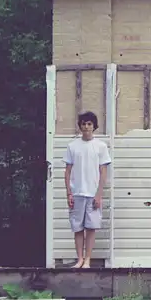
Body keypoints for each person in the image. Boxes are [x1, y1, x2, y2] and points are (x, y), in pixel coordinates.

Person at [63, 111, 111, 269]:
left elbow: (103, 172)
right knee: (77, 228)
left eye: (89, 124)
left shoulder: (101, 146)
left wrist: (99, 195)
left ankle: (88, 260)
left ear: (94, 126)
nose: (86, 127)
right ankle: (80, 259)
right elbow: (67, 171)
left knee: (91, 228)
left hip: (92, 194)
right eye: (83, 124)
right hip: (77, 193)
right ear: (80, 126)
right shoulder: (72, 146)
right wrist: (69, 193)